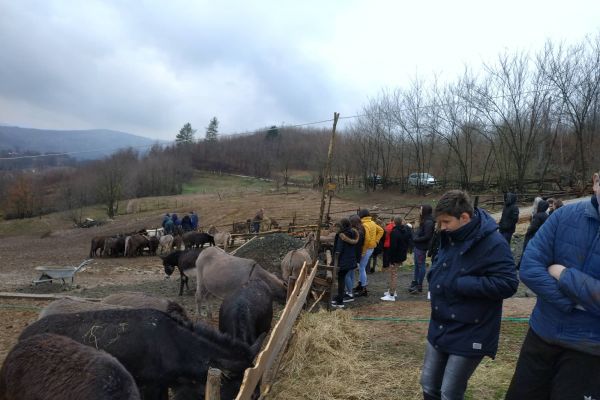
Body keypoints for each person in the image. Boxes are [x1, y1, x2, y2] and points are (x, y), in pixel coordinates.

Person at [505, 173, 600, 400]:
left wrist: (564, 274)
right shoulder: (563, 217)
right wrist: (572, 302)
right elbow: (529, 267)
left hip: (590, 349)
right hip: (541, 335)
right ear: (596, 182)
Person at [420, 190, 518, 400]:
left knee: (449, 392)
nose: (442, 227)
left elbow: (508, 283)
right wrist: (434, 274)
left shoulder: (494, 243)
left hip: (472, 329)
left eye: (446, 222)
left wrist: (463, 284)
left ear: (464, 217)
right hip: (440, 323)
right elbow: (445, 263)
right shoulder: (451, 235)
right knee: (428, 384)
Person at [381, 216, 413, 301]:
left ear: (394, 222)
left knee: (393, 275)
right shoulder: (405, 230)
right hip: (402, 255)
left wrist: (390, 259)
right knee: (393, 274)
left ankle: (392, 294)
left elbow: (393, 247)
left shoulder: (394, 232)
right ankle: (391, 291)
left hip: (395, 257)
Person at [353, 209, 384, 297]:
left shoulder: (364, 225)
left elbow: (366, 240)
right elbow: (381, 230)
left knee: (362, 268)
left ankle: (363, 288)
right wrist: (376, 241)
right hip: (371, 248)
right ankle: (360, 285)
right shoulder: (372, 223)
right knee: (362, 268)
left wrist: (363, 251)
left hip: (366, 248)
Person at [331, 218, 359, 308]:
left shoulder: (341, 235)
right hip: (350, 260)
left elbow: (339, 250)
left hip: (343, 261)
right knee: (343, 278)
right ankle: (340, 296)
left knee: (341, 279)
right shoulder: (353, 233)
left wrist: (334, 261)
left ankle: (340, 302)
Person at [411, 205, 435, 294]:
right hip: (418, 246)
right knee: (417, 265)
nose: (419, 211)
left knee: (421, 266)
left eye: (421, 209)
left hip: (421, 247)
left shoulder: (429, 222)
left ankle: (419, 285)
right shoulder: (424, 220)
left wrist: (416, 239)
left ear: (425, 210)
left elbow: (427, 236)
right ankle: (415, 283)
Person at [346, 214, 365, 301]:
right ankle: (350, 290)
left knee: (347, 274)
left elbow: (354, 245)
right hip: (357, 255)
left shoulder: (355, 233)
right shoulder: (361, 230)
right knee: (352, 273)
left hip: (352, 256)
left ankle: (349, 293)